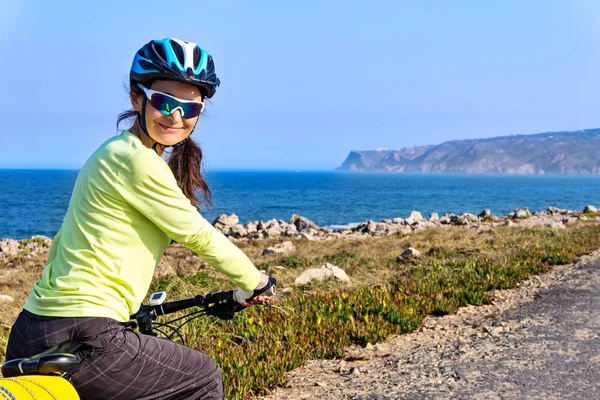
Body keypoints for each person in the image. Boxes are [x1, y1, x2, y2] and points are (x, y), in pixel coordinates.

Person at [5, 37, 272, 400]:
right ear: (137, 97)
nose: (175, 116)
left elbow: (64, 243)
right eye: (164, 102)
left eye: (189, 108)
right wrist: (255, 280)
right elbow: (197, 234)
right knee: (203, 378)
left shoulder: (111, 153)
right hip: (83, 334)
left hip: (31, 330)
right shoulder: (137, 161)